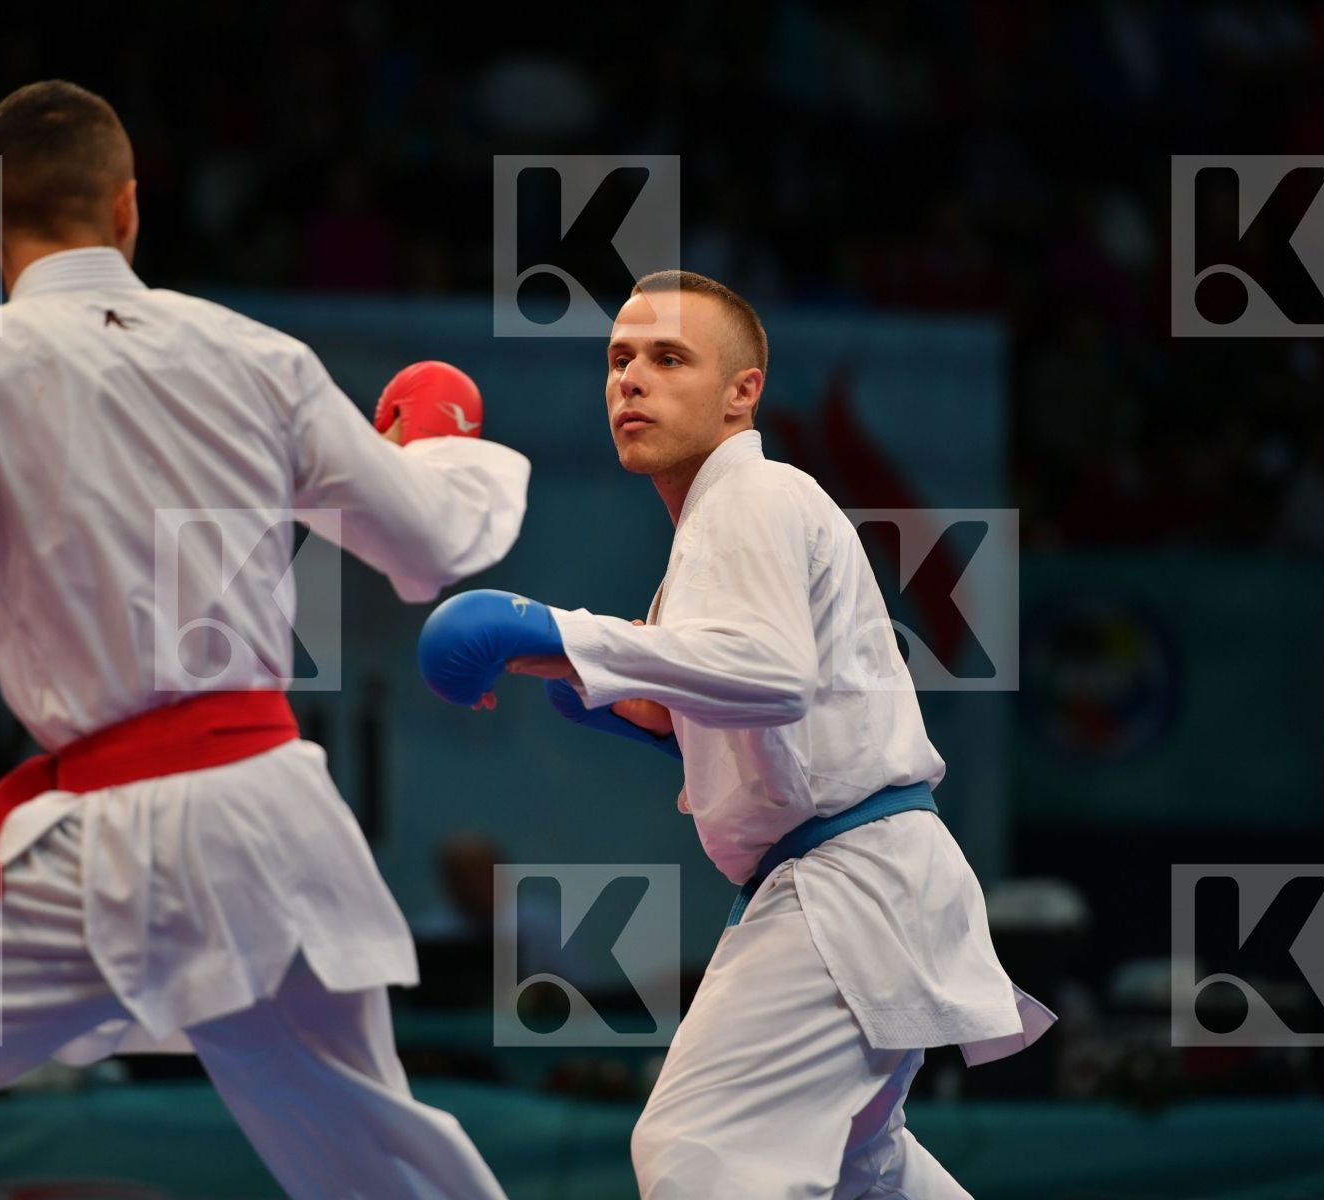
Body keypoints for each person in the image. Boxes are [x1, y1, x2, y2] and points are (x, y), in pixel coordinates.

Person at [0, 80, 525, 1200]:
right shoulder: (259, 355)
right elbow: (436, 546)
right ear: (127, 210)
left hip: (120, 834)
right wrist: (435, 443)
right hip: (276, 820)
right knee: (378, 1168)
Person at [416, 270, 1055, 1198]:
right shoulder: (709, 541)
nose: (631, 379)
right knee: (863, 1175)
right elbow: (754, 698)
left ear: (741, 392)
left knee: (698, 1151)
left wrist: (553, 630)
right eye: (619, 358)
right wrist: (599, 685)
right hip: (854, 874)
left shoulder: (753, 495)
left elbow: (768, 673)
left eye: (669, 358)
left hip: (847, 882)